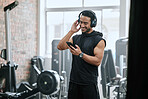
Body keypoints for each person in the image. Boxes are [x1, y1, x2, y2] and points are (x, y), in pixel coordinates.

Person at [57, 10, 106, 99]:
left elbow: (97, 61)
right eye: (81, 22)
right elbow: (60, 46)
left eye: (85, 23)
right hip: (74, 82)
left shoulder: (98, 40)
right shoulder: (76, 38)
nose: (82, 25)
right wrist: (71, 31)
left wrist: (81, 54)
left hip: (89, 84)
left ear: (93, 23)